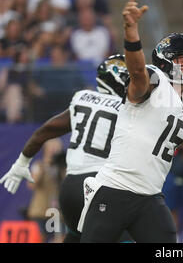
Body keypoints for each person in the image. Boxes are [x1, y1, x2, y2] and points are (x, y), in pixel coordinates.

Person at [78, 0, 183, 243]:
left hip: (150, 197)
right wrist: (131, 32)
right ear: (166, 62)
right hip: (115, 189)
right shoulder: (155, 80)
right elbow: (137, 72)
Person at [0, 54, 129, 243]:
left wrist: (21, 161)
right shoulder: (129, 108)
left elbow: (45, 131)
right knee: (125, 236)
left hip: (70, 187)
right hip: (99, 185)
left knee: (75, 236)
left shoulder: (82, 98)